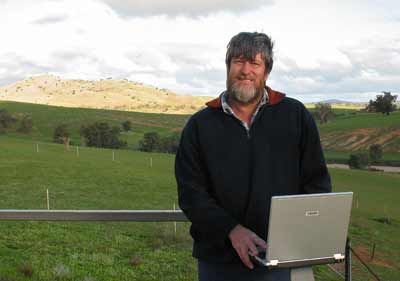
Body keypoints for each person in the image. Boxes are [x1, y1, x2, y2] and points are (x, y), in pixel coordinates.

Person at [175, 32, 331, 281]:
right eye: (238, 61)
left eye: (254, 63)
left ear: (266, 71)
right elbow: (191, 193)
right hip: (218, 260)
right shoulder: (199, 125)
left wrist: (300, 237)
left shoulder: (295, 116)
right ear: (228, 67)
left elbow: (317, 182)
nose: (245, 70)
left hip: (280, 261)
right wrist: (231, 229)